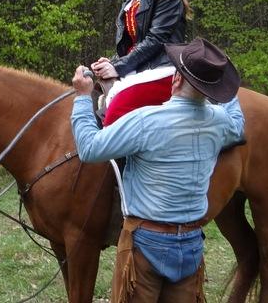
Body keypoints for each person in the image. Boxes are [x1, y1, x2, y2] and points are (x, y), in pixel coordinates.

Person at [71, 38, 246, 303]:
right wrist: (227, 91)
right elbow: (238, 124)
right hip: (191, 244)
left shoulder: (145, 121)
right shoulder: (220, 123)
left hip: (145, 244)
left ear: (176, 79)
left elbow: (89, 148)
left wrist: (83, 97)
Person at [91, 0, 192, 126]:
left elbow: (156, 39)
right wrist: (112, 62)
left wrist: (118, 67)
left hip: (164, 66)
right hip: (140, 66)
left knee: (118, 108)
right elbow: (133, 44)